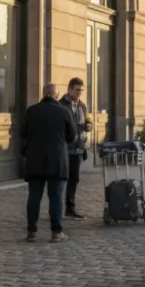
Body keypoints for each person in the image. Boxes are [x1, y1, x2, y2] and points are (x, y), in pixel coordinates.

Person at [21, 83, 77, 243]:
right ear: (56, 95)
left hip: (35, 160)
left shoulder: (31, 111)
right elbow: (72, 137)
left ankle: (31, 231)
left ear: (43, 94)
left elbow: (23, 133)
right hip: (57, 161)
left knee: (34, 196)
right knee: (56, 197)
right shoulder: (64, 111)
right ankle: (56, 232)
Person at [60, 77, 92, 220]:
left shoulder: (82, 106)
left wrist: (89, 124)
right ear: (69, 89)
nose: (80, 93)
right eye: (77, 90)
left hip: (78, 148)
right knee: (61, 180)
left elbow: (87, 119)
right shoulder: (61, 105)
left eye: (81, 90)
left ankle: (70, 208)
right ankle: (55, 208)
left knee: (74, 179)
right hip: (64, 149)